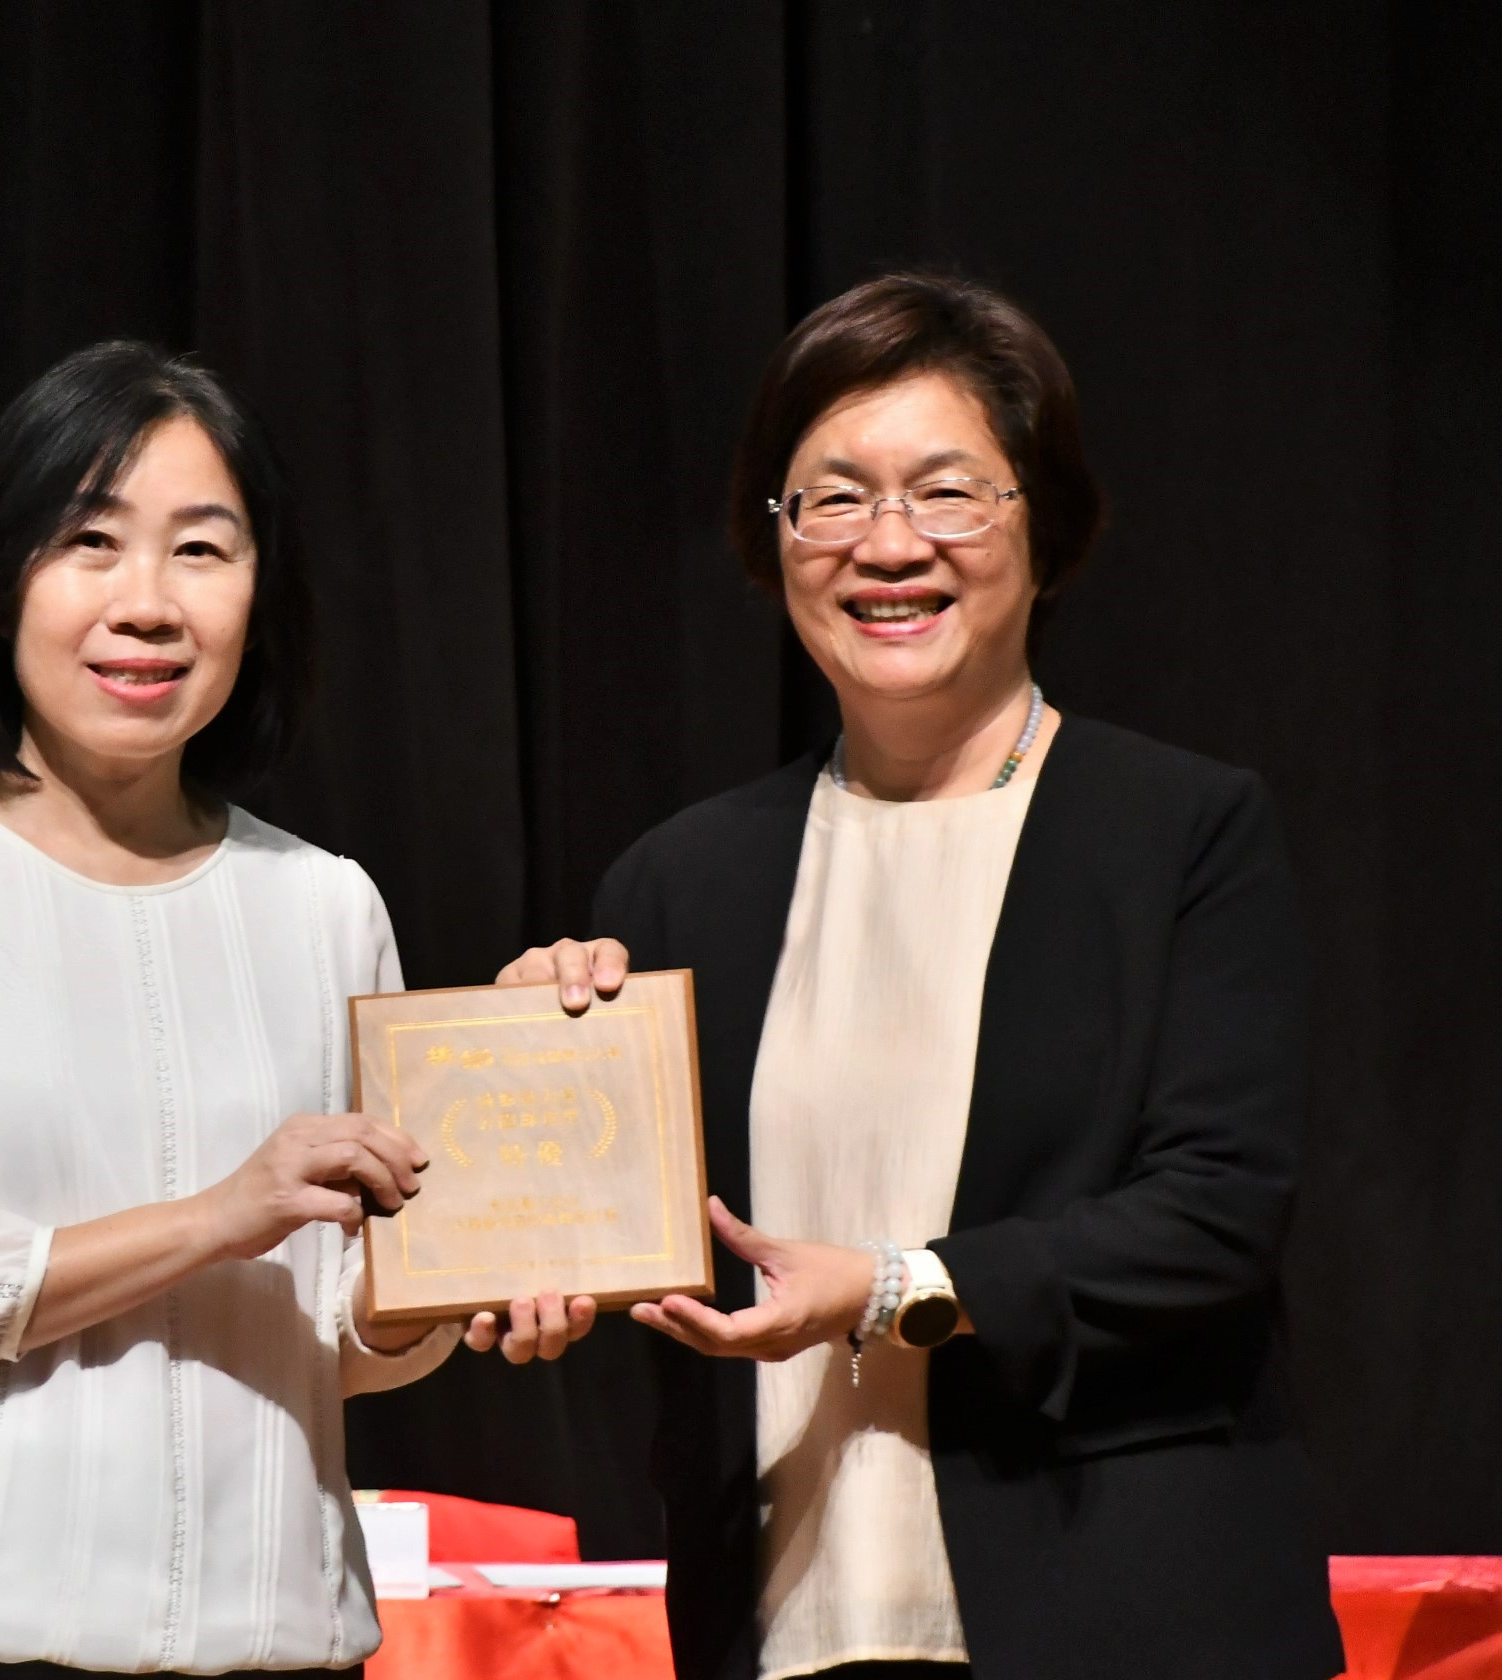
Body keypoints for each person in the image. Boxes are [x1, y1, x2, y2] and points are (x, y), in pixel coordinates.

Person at [502, 273, 1343, 1680]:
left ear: (1043, 527)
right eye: (832, 499)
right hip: (786, 1624)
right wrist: (530, 1102)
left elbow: (1215, 1217)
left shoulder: (1180, 833)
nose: (889, 545)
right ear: (774, 541)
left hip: (1128, 1620)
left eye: (948, 493)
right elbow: (628, 1253)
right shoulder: (675, 885)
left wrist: (894, 1287)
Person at [0, 342, 593, 1680]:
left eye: (201, 550)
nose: (146, 604)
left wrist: (476, 1252)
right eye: (89, 541)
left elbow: (342, 1335)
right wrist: (217, 1217)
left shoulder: (327, 905)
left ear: (260, 595)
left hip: (283, 1649)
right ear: (2, 577)